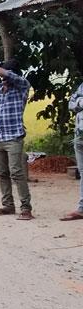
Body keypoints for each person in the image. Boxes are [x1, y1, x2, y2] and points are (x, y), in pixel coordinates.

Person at [0, 59, 33, 220]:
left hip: (14, 136)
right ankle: (8, 205)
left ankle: (26, 208)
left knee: (16, 173)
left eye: (5, 74)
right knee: (2, 173)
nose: (3, 77)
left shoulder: (22, 86)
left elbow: (8, 74)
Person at [63, 80, 83, 221]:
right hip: (79, 135)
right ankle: (82, 208)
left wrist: (79, 103)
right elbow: (71, 104)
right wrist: (80, 103)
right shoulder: (82, 86)